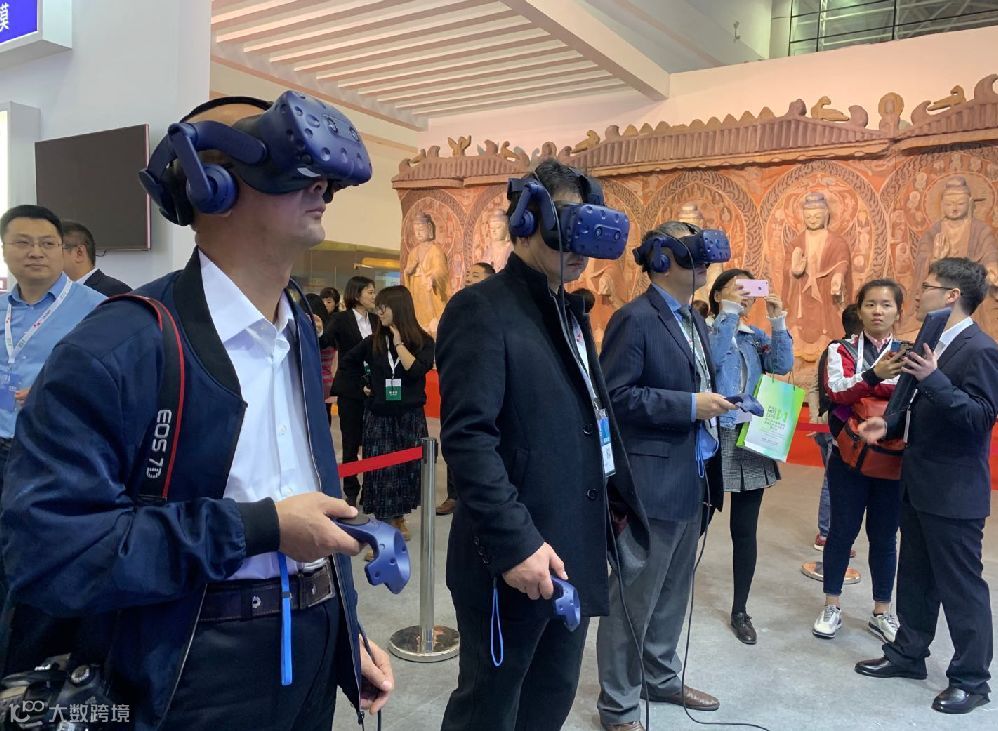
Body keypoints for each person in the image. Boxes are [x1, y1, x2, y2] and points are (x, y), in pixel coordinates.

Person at [0, 94, 393, 730]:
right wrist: (257, 528)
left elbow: (314, 496)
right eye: (277, 155)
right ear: (211, 185)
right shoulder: (119, 347)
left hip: (311, 649)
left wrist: (345, 632)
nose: (321, 185)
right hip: (187, 669)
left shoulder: (296, 329)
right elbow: (50, 553)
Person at [436, 159, 648, 731]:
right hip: (514, 555)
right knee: (489, 710)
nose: (580, 249)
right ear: (527, 220)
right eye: (568, 227)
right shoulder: (481, 309)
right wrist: (515, 545)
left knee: (549, 701)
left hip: (572, 549)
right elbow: (468, 440)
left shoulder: (567, 310)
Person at [597, 221, 735, 731]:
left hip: (694, 476)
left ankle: (660, 676)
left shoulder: (693, 317)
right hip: (650, 483)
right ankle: (618, 705)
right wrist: (689, 405)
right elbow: (616, 397)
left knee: (674, 591)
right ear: (661, 260)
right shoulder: (635, 319)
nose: (705, 266)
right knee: (633, 599)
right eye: (693, 255)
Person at [855, 258, 998, 715]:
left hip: (954, 491)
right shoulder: (932, 340)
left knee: (961, 587)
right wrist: (889, 422)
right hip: (918, 482)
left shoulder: (980, 349)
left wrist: (933, 377)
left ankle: (972, 681)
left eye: (927, 287)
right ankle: (908, 654)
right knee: (915, 575)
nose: (918, 295)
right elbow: (918, 404)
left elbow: (980, 417)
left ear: (952, 296)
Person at [0, 205, 106, 603]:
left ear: (63, 250)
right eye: (23, 243)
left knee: (40, 554)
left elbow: (116, 380)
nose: (35, 252)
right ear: (5, 249)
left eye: (47, 243)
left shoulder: (97, 308)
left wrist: (59, 389)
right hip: (1, 442)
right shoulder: (2, 308)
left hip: (53, 449)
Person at [812, 279, 908, 642]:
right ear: (860, 309)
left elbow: (911, 396)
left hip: (892, 457)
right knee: (841, 531)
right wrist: (875, 377)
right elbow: (835, 390)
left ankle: (882, 611)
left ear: (898, 311)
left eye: (886, 304)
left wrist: (864, 387)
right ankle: (832, 605)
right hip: (848, 458)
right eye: (870, 304)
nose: (878, 311)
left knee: (885, 537)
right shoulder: (840, 349)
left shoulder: (910, 352)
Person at [706, 269, 793, 645]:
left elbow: (782, 365)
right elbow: (711, 359)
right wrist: (727, 314)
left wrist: (778, 322)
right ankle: (668, 592)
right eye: (737, 289)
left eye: (750, 290)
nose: (746, 295)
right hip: (711, 434)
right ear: (718, 295)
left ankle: (740, 609)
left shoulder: (754, 335)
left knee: (745, 530)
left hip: (750, 437)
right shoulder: (704, 329)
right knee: (694, 523)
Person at [339, 286, 433, 545]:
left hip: (410, 418)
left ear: (399, 308)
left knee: (405, 471)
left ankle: (398, 518)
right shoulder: (373, 342)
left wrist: (399, 342)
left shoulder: (423, 342)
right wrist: (363, 384)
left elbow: (415, 370)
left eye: (384, 307)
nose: (379, 312)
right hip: (379, 417)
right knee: (382, 473)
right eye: (377, 306)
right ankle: (384, 529)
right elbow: (348, 363)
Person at [437, 261, 498, 517]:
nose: (469, 278)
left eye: (475, 275)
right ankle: (454, 495)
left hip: (490, 389)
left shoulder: (498, 309)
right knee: (458, 439)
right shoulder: (458, 305)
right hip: (460, 387)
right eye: (468, 274)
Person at [328, 276, 378, 506]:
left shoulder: (376, 321)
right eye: (370, 292)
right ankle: (350, 490)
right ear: (357, 295)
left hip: (373, 390)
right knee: (350, 442)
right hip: (350, 390)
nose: (374, 296)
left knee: (372, 442)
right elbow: (325, 341)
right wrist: (318, 329)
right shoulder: (341, 319)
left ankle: (370, 490)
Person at [60, 220, 131, 295]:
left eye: (54, 249)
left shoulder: (116, 292)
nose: (51, 257)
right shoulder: (57, 293)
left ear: (79, 253)